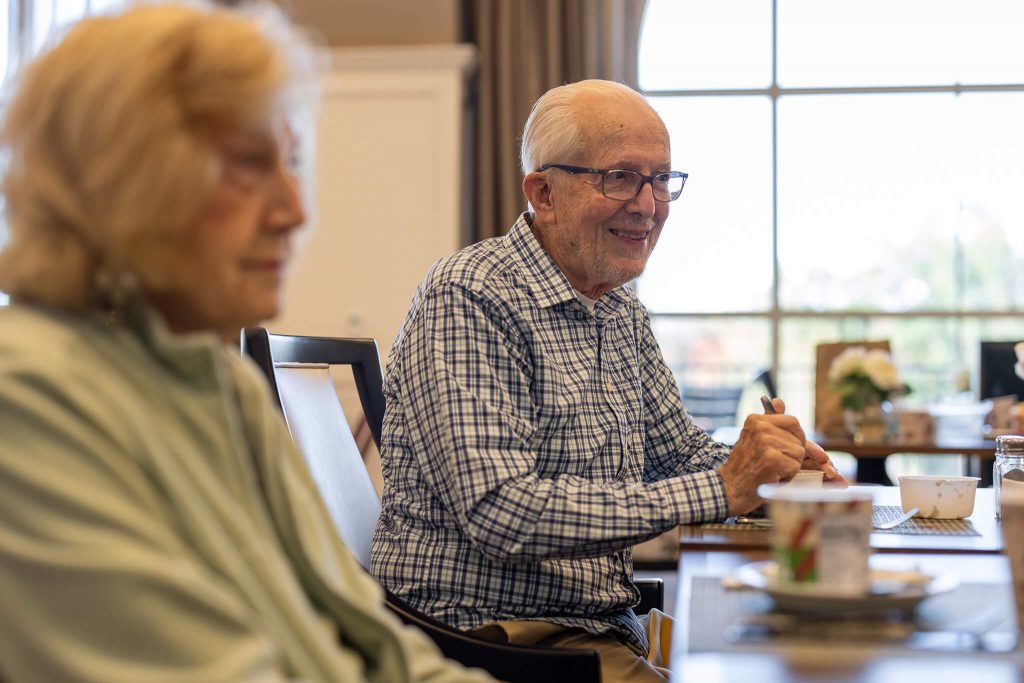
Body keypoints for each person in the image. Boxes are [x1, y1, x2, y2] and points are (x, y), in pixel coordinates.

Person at [0, 4, 494, 682]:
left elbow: (381, 645)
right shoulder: (29, 401)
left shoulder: (221, 383)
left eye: (290, 161)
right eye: (247, 164)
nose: (295, 208)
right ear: (122, 180)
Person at [371, 79, 844, 682]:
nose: (648, 205)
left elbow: (677, 454)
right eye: (619, 177)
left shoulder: (618, 308)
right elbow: (502, 511)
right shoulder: (471, 294)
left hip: (595, 624)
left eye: (661, 180)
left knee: (803, 650)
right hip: (490, 636)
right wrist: (727, 487)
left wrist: (779, 473)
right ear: (544, 193)